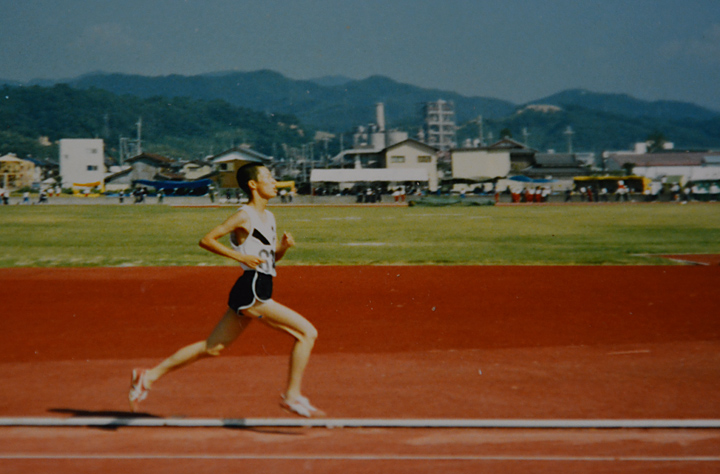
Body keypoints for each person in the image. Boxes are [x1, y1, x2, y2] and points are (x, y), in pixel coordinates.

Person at [128, 163, 322, 418]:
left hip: (256, 287)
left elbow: (269, 259)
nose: (275, 181)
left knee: (213, 347)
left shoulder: (270, 217)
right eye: (268, 177)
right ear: (253, 185)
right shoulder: (244, 215)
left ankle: (148, 376)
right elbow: (207, 239)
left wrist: (283, 248)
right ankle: (292, 396)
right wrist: (237, 256)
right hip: (253, 290)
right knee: (307, 333)